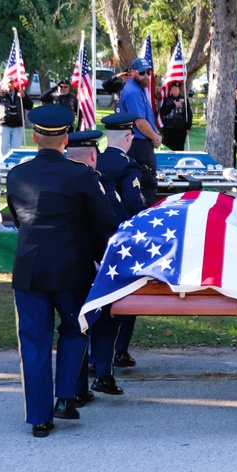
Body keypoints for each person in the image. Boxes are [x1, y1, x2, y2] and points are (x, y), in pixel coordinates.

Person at [5, 106, 119, 437]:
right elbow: (105, 223)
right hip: (72, 270)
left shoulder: (16, 175)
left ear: (35, 137)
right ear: (66, 139)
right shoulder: (82, 175)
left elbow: (18, 217)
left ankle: (40, 418)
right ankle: (65, 399)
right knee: (74, 330)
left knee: (34, 344)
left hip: (30, 271)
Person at [65, 129, 127, 398]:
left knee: (70, 327)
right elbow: (113, 221)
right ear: (93, 155)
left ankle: (73, 390)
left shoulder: (48, 178)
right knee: (102, 320)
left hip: (57, 263)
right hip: (95, 262)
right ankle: (102, 372)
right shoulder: (97, 182)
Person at [95, 112, 148, 369]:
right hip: (120, 237)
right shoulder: (128, 165)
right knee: (127, 291)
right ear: (129, 137)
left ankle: (96, 353)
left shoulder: (94, 160)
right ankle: (119, 350)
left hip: (93, 237)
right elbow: (133, 202)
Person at [117, 57, 162, 205]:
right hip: (138, 146)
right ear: (131, 72)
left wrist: (156, 135)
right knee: (146, 187)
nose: (146, 76)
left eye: (148, 72)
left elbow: (147, 118)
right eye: (142, 73)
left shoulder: (137, 89)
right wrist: (155, 137)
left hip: (140, 144)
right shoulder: (133, 92)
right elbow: (140, 122)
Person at [0, 78, 34, 164]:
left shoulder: (19, 93)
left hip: (17, 125)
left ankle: (14, 168)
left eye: (11, 83)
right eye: (7, 83)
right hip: (3, 125)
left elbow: (29, 106)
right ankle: (1, 168)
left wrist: (24, 97)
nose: (9, 85)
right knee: (2, 149)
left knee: (16, 149)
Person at [159, 82, 191, 152]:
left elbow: (189, 114)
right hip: (169, 128)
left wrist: (188, 127)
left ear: (179, 89)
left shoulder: (184, 100)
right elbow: (163, 112)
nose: (174, 89)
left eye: (176, 88)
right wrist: (173, 105)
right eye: (172, 88)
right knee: (169, 148)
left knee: (179, 148)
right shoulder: (167, 100)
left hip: (180, 128)